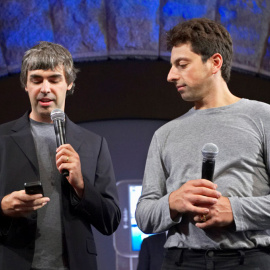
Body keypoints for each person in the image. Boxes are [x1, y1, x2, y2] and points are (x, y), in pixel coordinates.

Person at [135, 17, 270, 270]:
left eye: (182, 64)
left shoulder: (263, 118)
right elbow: (144, 215)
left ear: (215, 63)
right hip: (180, 261)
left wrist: (235, 210)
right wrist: (174, 201)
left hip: (249, 260)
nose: (170, 75)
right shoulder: (164, 134)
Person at [0, 41, 121, 270]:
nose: (45, 88)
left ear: (69, 84)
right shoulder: (2, 138)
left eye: (54, 79)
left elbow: (111, 220)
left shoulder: (93, 144)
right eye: (36, 79)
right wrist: (3, 207)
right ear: (26, 84)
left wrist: (82, 186)